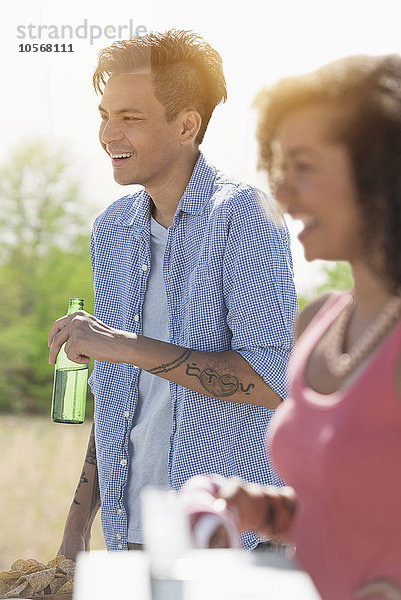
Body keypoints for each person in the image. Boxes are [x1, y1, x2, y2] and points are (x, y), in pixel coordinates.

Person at [48, 29, 297, 557]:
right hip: (131, 533)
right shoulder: (112, 230)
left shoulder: (244, 215)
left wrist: (121, 345)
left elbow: (270, 382)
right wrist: (75, 531)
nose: (108, 133)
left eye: (130, 118)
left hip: (229, 542)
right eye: (104, 115)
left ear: (187, 125)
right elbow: (119, 397)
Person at [183, 54, 401, 599]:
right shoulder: (318, 324)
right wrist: (265, 509)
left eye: (303, 166)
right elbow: (359, 514)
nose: (281, 191)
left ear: (381, 170)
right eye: (278, 168)